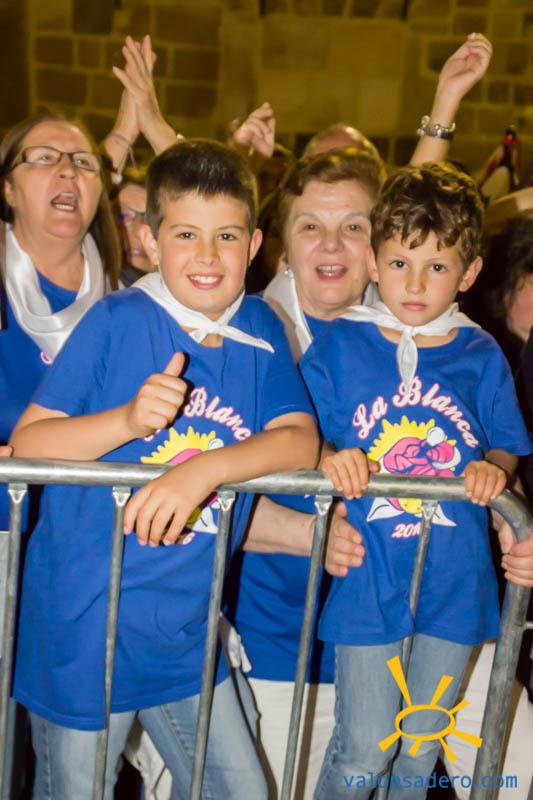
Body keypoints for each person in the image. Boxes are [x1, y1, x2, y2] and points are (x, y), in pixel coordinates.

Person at [225, 33, 494, 800]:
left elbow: (411, 215)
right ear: (278, 247)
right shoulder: (246, 333)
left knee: (490, 768)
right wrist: (302, 529)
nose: (334, 243)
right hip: (282, 634)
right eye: (310, 226)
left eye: (354, 228)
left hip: (417, 610)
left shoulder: (406, 322)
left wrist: (443, 106)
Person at [10, 139, 318, 800]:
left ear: (253, 244)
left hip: (185, 631)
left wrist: (201, 471)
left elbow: (299, 442)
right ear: (150, 240)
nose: (207, 256)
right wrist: (126, 421)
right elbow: (31, 443)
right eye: (185, 234)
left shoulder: (261, 325)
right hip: (85, 624)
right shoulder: (116, 320)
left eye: (226, 236)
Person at [299, 163, 531, 799]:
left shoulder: (480, 352)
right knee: (365, 744)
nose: (416, 283)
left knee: (422, 746)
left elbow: (507, 442)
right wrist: (326, 456)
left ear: (470, 273)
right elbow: (298, 430)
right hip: (369, 573)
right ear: (374, 261)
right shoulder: (338, 344)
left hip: (456, 582)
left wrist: (494, 468)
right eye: (401, 263)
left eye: (437, 266)